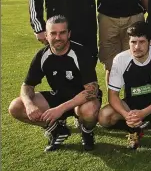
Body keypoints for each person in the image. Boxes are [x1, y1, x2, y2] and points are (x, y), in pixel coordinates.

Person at [8, 15, 101, 152]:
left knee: (90, 110)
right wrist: (29, 105)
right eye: (53, 33)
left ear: (69, 34)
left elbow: (92, 90)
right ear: (46, 35)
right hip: (58, 96)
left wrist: (60, 109)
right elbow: (27, 86)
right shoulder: (42, 55)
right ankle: (57, 130)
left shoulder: (81, 53)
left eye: (62, 32)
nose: (58, 37)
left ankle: (87, 132)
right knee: (16, 106)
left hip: (81, 100)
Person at [97, 21, 151, 151]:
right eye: (133, 42)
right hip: (131, 107)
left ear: (150, 42)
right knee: (104, 116)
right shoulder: (120, 59)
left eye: (142, 42)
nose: (137, 47)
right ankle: (134, 130)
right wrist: (126, 115)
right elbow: (112, 95)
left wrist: (144, 113)